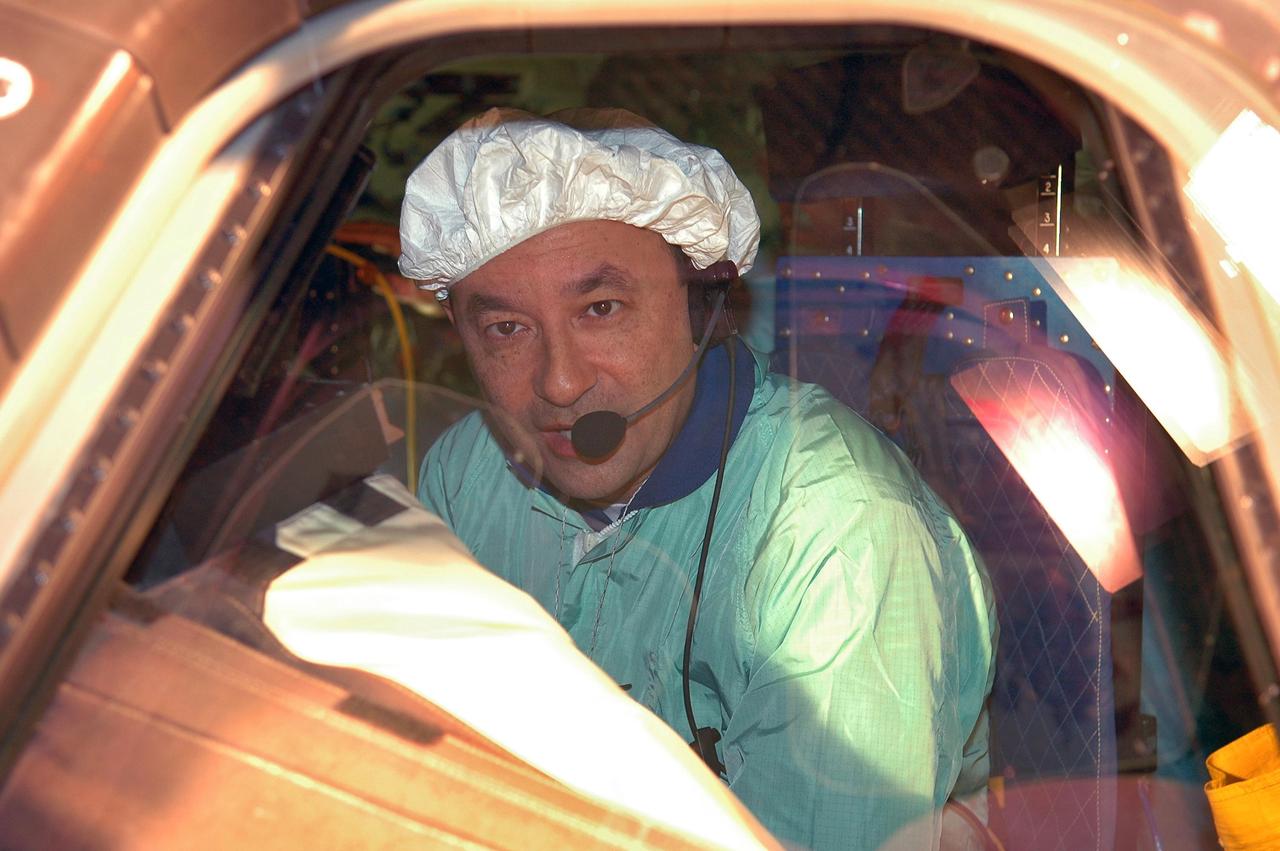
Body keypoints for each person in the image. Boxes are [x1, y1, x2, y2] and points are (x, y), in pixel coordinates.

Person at [400, 106, 996, 850]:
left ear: (701, 306)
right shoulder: (466, 472)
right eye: (506, 329)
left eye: (601, 308)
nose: (558, 382)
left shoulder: (835, 530)